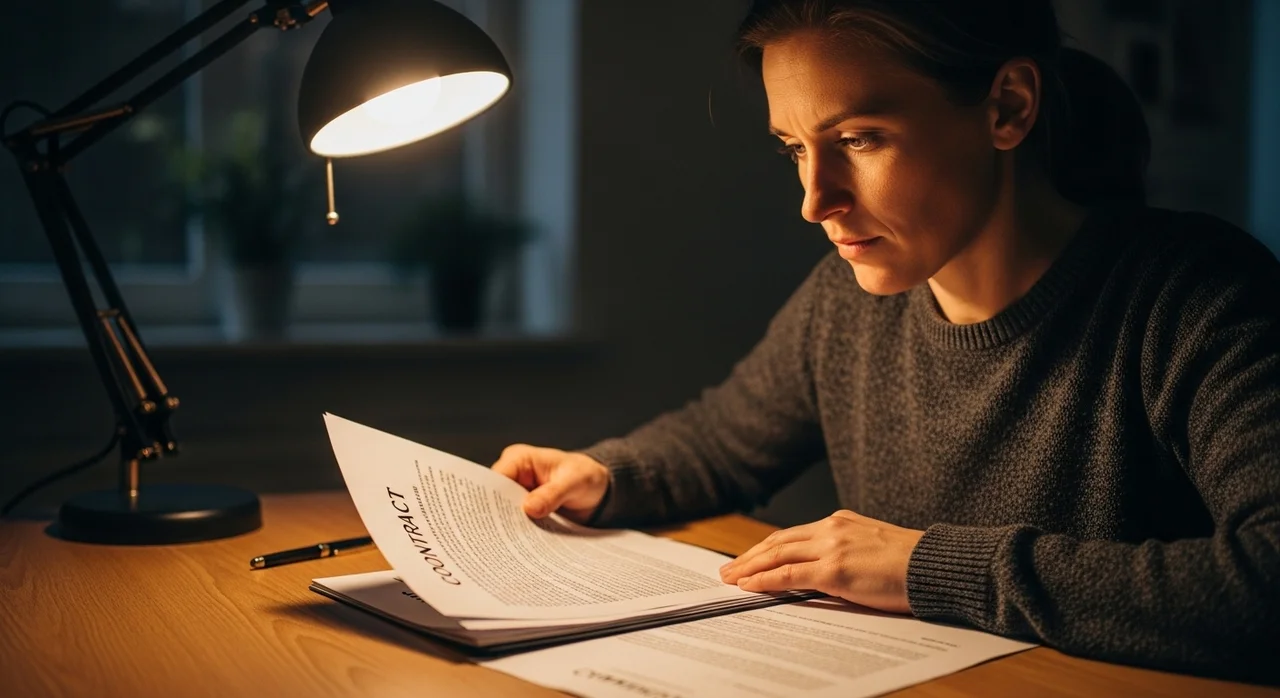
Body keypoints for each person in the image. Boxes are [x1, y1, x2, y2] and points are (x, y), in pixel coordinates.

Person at [492, 0, 1280, 684]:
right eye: (795, 148)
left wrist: (926, 568)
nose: (814, 200)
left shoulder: (1194, 295)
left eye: (860, 139)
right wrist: (605, 473)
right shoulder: (849, 304)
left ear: (1007, 106)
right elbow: (725, 441)